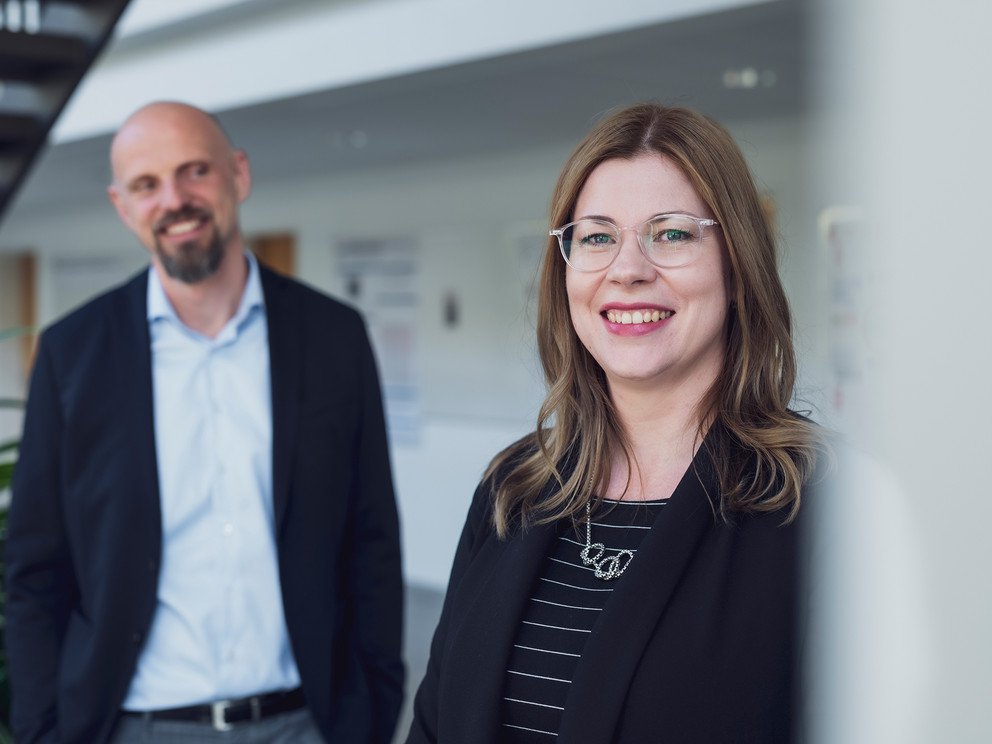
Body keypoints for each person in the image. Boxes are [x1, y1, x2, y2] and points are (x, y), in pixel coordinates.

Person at [404, 103, 823, 744]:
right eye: (598, 236)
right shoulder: (515, 488)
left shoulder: (820, 506)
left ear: (737, 268)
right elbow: (435, 723)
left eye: (672, 233)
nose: (627, 270)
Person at [5, 102, 404, 744]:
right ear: (123, 205)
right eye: (147, 184)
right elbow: (35, 568)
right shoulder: (71, 353)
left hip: (307, 724)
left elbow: (372, 539)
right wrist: (42, 731)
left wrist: (373, 711)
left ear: (237, 175)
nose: (175, 199)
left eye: (195, 171)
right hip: (134, 728)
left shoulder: (333, 336)